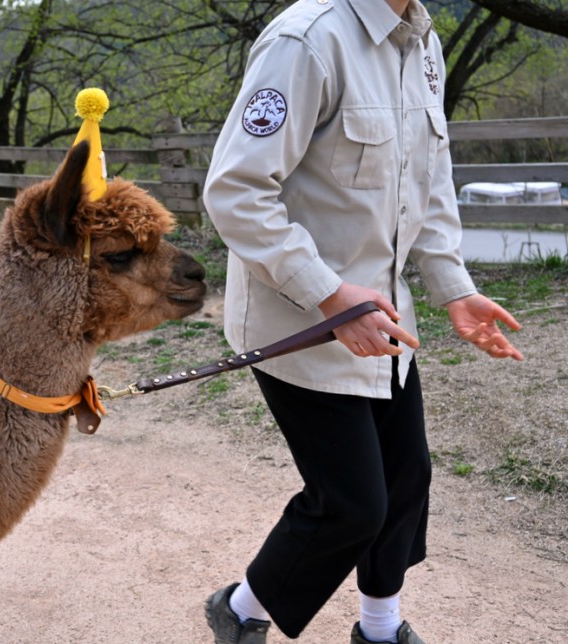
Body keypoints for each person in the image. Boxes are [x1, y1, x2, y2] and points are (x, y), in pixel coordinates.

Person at [201, 0, 523, 642]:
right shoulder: (305, 41)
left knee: (407, 482)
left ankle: (380, 629)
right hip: (299, 323)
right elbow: (235, 192)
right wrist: (327, 295)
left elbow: (425, 185)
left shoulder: (422, 42)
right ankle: (237, 611)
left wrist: (452, 287)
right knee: (351, 504)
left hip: (383, 318)